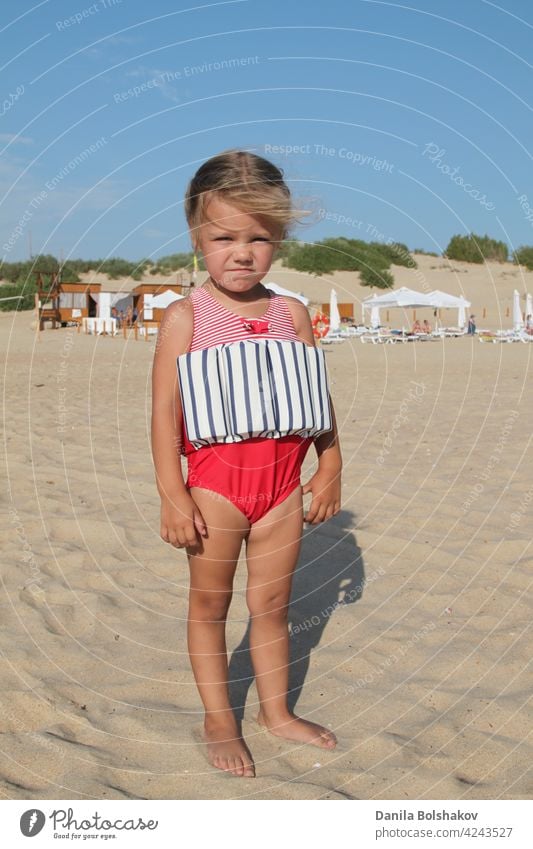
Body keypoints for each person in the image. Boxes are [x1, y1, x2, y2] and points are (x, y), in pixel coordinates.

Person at [151, 150, 342, 779]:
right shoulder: (185, 318)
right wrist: (172, 495)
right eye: (224, 237)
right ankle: (218, 719)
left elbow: (318, 399)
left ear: (280, 239)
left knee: (274, 605)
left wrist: (331, 466)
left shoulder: (291, 315)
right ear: (196, 238)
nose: (242, 252)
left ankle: (275, 712)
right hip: (215, 490)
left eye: (259, 238)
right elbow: (163, 416)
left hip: (282, 487)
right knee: (209, 605)